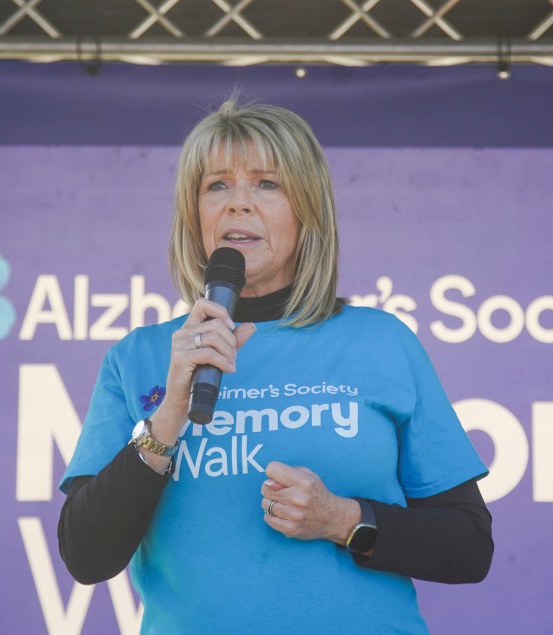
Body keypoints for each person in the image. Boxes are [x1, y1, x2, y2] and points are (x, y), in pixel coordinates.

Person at [58, 100, 493, 634]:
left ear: (306, 209)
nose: (238, 205)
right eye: (216, 185)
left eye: (266, 184)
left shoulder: (381, 343)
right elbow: (86, 558)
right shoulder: (139, 356)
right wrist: (168, 415)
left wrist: (343, 520)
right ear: (194, 214)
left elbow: (470, 547)